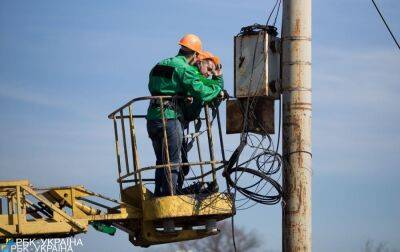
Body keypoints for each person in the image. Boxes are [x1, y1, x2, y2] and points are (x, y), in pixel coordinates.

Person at [146, 34, 224, 197]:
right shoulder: (185, 69)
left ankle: (158, 194)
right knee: (174, 161)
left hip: (153, 118)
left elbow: (155, 86)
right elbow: (201, 92)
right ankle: (170, 196)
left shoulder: (159, 65)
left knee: (161, 161)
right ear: (196, 55)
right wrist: (218, 90)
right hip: (169, 118)